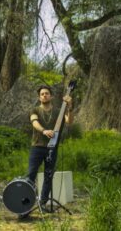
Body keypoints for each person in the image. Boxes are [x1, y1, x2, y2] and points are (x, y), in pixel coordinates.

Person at [26, 85, 73, 215]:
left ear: (51, 96)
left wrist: (70, 107)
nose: (44, 95)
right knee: (30, 174)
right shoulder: (35, 110)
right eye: (42, 94)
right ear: (39, 97)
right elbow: (34, 122)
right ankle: (25, 204)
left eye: (47, 93)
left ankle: (43, 203)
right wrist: (44, 130)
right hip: (37, 147)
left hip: (53, 148)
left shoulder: (59, 111)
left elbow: (69, 122)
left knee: (48, 176)